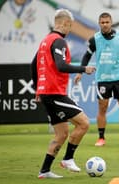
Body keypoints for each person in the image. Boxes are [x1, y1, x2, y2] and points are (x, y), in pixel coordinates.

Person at [31, 8, 96, 179]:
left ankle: (44, 170)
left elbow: (33, 64)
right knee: (84, 123)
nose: (70, 30)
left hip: (47, 92)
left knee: (61, 134)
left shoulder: (45, 41)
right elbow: (61, 66)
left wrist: (37, 88)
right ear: (65, 24)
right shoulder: (59, 41)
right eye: (70, 26)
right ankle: (68, 158)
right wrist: (84, 68)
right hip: (54, 93)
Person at [75, 12, 119, 147]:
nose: (105, 25)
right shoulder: (94, 39)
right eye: (102, 22)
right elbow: (87, 55)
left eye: (107, 22)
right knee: (102, 108)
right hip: (103, 78)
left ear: (111, 22)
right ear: (99, 24)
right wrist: (81, 71)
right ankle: (101, 138)